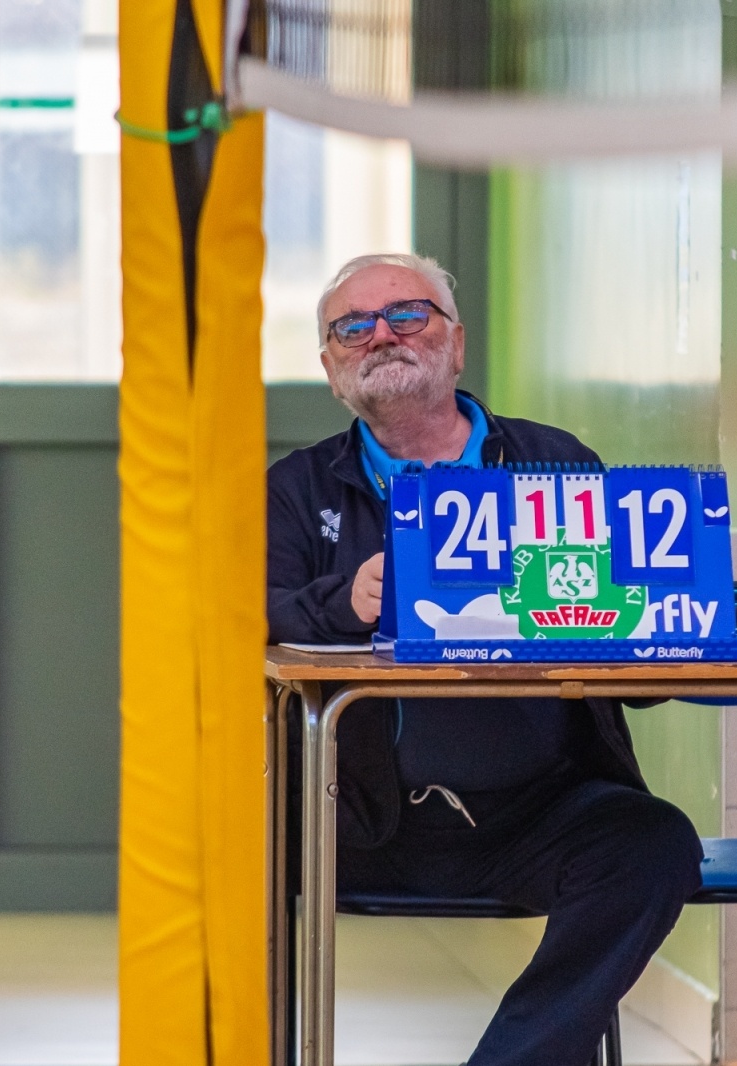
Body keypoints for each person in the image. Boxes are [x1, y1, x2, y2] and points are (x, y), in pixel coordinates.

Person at [268, 253, 702, 1066]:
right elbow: (244, 621)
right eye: (352, 327)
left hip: (540, 813)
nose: (382, 337)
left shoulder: (557, 464)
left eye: (408, 314)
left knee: (654, 844)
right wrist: (344, 603)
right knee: (224, 844)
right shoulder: (294, 491)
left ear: (457, 344)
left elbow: (639, 666)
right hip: (354, 820)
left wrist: (642, 618)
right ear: (331, 369)